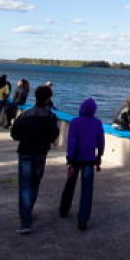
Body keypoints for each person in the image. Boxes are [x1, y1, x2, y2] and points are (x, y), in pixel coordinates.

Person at [10, 85, 60, 234]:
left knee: (25, 185)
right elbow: (53, 135)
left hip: (25, 151)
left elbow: (14, 134)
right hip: (40, 153)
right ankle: (28, 213)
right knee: (34, 183)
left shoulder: (26, 114)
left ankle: (25, 219)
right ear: (48, 98)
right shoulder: (50, 116)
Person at [59, 98, 105, 231]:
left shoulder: (75, 122)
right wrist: (99, 156)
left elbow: (71, 142)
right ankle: (83, 219)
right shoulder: (97, 123)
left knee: (70, 185)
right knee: (87, 190)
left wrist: (70, 158)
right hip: (89, 160)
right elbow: (100, 142)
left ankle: (64, 209)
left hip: (75, 160)